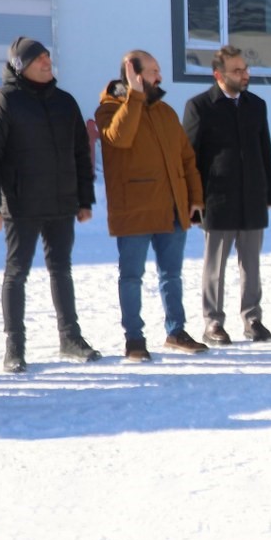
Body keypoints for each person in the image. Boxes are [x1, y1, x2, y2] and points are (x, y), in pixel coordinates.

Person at [0, 36, 102, 372]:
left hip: (61, 203)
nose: (47, 62)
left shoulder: (65, 101)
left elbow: (81, 153)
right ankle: (14, 347)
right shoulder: (2, 100)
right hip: (21, 205)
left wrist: (85, 199)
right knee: (16, 273)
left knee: (62, 269)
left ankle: (70, 338)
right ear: (21, 66)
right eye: (39, 59)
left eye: (47, 56)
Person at [96, 51, 208, 362]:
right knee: (131, 277)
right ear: (133, 73)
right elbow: (119, 138)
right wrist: (134, 96)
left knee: (172, 275)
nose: (160, 76)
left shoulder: (165, 112)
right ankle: (134, 339)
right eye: (153, 71)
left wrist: (195, 200)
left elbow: (187, 159)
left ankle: (176, 331)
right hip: (135, 209)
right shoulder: (109, 109)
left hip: (173, 208)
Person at [183, 46, 271, 344]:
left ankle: (253, 319)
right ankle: (213, 322)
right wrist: (193, 199)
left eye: (245, 69)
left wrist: (269, 192)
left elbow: (265, 150)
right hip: (217, 199)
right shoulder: (200, 106)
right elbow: (189, 157)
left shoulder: (256, 105)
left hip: (252, 197)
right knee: (215, 267)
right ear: (219, 75)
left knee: (251, 265)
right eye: (237, 70)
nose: (244, 74)